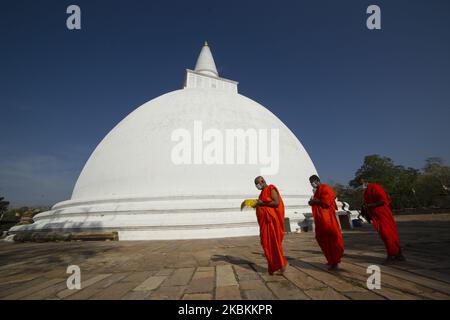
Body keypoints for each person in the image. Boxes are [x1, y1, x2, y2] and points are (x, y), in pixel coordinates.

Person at [360, 178, 405, 264]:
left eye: (362, 182)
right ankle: (398, 254)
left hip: (382, 214)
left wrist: (369, 206)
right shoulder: (367, 190)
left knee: (387, 234)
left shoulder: (375, 187)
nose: (362, 184)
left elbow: (383, 201)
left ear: (366, 181)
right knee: (388, 234)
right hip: (377, 215)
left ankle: (391, 255)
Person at [308, 175, 344, 270]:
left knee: (331, 239)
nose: (312, 184)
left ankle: (335, 261)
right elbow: (317, 201)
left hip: (327, 219)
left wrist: (315, 201)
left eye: (312, 181)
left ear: (317, 180)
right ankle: (330, 259)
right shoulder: (317, 192)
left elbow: (326, 202)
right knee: (322, 239)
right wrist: (312, 202)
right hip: (320, 219)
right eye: (310, 182)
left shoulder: (326, 188)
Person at [254, 176, 288, 275]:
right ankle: (273, 265)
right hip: (265, 223)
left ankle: (281, 265)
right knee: (265, 244)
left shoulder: (271, 188)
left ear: (263, 181)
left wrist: (263, 203)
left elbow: (276, 203)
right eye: (256, 184)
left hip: (272, 222)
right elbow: (262, 204)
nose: (257, 185)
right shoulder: (261, 194)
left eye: (258, 183)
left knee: (274, 244)